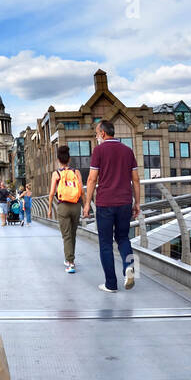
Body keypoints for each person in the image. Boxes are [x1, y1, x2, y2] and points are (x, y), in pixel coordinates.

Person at [81, 119, 142, 293]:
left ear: (102, 133)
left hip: (105, 203)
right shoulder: (128, 151)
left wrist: (87, 204)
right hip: (124, 202)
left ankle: (111, 284)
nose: (96, 136)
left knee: (106, 243)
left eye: (96, 133)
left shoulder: (99, 150)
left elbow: (92, 179)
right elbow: (136, 180)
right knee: (123, 238)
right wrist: (137, 203)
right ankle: (129, 267)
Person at [49, 145, 82, 273]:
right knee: (72, 234)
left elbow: (52, 192)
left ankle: (70, 262)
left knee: (66, 235)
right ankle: (70, 258)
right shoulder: (76, 172)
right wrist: (85, 206)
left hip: (63, 206)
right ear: (69, 159)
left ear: (58, 160)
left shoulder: (56, 174)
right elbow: (82, 191)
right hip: (76, 205)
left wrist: (50, 208)